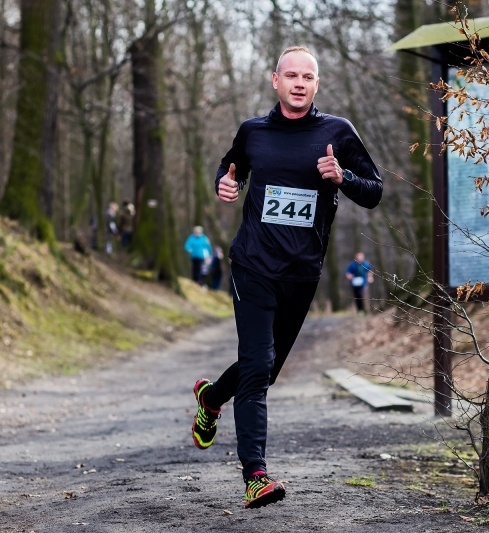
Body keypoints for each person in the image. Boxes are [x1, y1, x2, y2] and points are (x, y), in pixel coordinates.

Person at [190, 46, 382, 509]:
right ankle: (255, 475)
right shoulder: (253, 132)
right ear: (275, 80)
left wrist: (342, 178)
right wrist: (225, 183)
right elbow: (230, 165)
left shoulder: (338, 133)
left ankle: (212, 398)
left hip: (301, 273)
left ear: (317, 84)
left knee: (267, 369)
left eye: (308, 76)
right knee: (257, 367)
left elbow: (374, 191)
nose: (299, 83)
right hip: (253, 265)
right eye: (291, 75)